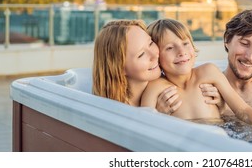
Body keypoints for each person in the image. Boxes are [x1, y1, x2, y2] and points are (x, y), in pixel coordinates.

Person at [141, 18, 252, 126]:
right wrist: (158, 116)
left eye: (185, 43)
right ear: (156, 56)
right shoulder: (155, 87)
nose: (181, 51)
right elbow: (144, 128)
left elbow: (243, 110)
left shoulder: (208, 72)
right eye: (169, 48)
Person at [92, 19, 220, 111]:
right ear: (119, 68)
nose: (155, 54)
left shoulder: (165, 87)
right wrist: (157, 117)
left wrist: (220, 105)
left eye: (150, 43)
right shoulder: (115, 111)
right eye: (141, 55)